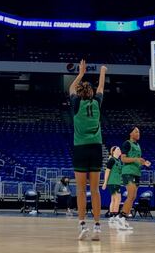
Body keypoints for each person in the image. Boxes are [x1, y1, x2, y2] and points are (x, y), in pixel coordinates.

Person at [69, 59, 106, 241]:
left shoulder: (76, 104)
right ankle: (97, 227)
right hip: (96, 148)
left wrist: (81, 73)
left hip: (80, 149)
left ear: (79, 93)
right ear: (91, 93)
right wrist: (102, 71)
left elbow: (70, 88)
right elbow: (100, 87)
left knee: (81, 191)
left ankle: (82, 225)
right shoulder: (97, 103)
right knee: (96, 190)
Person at [118, 127, 151, 230]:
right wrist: (136, 159)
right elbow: (123, 159)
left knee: (133, 197)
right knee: (131, 195)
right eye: (136, 131)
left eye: (139, 132)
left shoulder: (138, 145)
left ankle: (124, 219)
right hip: (128, 172)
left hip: (136, 173)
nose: (138, 133)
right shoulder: (126, 143)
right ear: (130, 133)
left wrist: (144, 163)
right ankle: (121, 218)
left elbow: (137, 160)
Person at [102, 146, 123, 227]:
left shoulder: (119, 161)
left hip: (117, 182)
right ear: (113, 152)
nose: (120, 150)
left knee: (114, 199)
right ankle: (114, 216)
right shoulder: (111, 160)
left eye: (119, 149)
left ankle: (112, 217)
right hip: (112, 182)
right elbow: (107, 171)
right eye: (118, 149)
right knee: (117, 199)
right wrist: (105, 182)